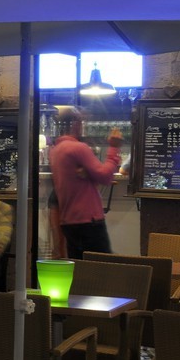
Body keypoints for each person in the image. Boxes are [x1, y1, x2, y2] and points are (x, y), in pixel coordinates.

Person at [48, 107, 123, 258]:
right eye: (82, 120)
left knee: (80, 270)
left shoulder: (55, 151)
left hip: (69, 222)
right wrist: (114, 149)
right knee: (101, 269)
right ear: (75, 123)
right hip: (89, 221)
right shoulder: (78, 148)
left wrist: (89, 174)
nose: (83, 124)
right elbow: (105, 176)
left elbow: (76, 180)